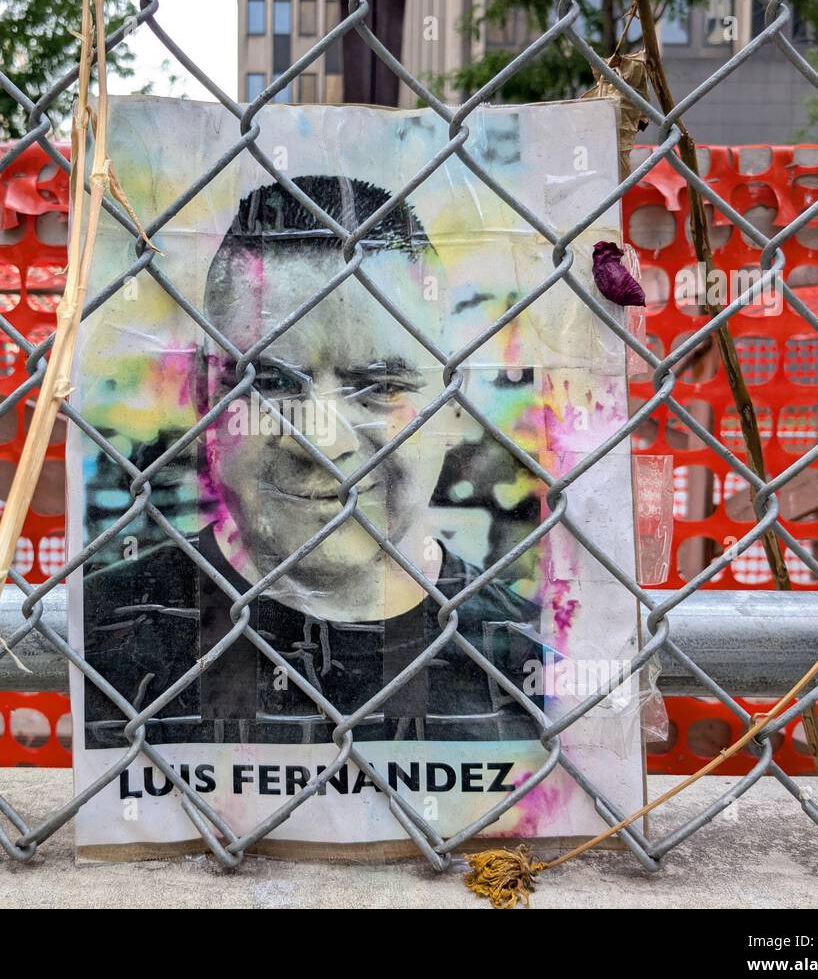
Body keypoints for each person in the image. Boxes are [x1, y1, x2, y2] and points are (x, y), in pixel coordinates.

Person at [83, 175, 541, 748]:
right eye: (269, 381)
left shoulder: (534, 658)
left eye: (377, 386)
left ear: (450, 406)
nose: (322, 441)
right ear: (205, 396)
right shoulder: (96, 632)